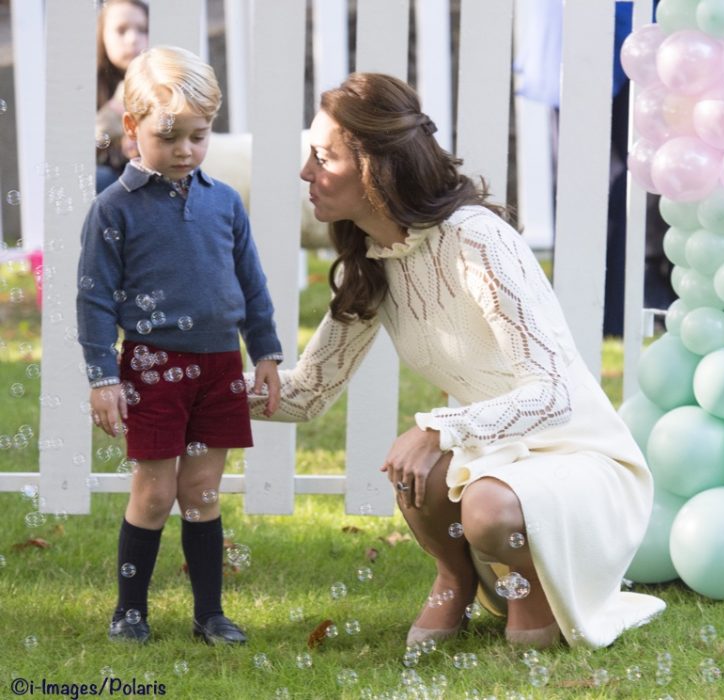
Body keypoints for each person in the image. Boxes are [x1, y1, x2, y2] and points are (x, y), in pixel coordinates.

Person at [247, 72, 666, 649]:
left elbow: (551, 393)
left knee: (484, 503)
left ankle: (528, 586)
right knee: (420, 480)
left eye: (324, 156)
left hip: (578, 456)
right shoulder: (377, 261)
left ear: (376, 166)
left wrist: (438, 428)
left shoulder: (476, 239)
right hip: (495, 454)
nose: (306, 173)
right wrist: (185, 389)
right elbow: (304, 393)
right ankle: (456, 576)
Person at [76, 46, 282, 645]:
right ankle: (130, 611)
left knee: (201, 491)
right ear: (132, 128)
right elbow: (93, 298)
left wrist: (265, 353)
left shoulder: (224, 200)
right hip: (152, 366)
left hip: (219, 366)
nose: (187, 150)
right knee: (156, 490)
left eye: (200, 134)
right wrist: (101, 375)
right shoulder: (114, 208)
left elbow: (253, 284)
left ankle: (209, 613)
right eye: (170, 136)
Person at [95, 0, 149, 193]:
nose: (133, 39)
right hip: (113, 178)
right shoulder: (91, 88)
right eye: (121, 30)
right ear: (102, 36)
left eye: (143, 29)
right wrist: (112, 115)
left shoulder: (159, 84)